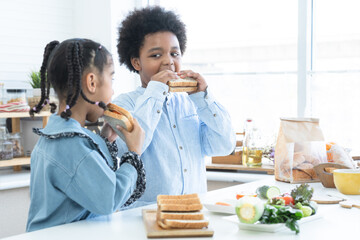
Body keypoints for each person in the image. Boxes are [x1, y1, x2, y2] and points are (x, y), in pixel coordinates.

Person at [114, 6, 236, 208]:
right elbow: (133, 148)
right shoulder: (124, 104)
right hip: (145, 215)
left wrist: (204, 97)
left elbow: (224, 145)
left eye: (174, 53)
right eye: (155, 55)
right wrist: (155, 91)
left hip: (194, 212)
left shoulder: (192, 101)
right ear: (136, 62)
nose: (168, 62)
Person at [26, 39, 146, 232]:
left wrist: (105, 139)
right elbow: (108, 198)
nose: (113, 90)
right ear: (92, 82)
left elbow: (85, 179)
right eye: (111, 79)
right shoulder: (71, 145)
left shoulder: (56, 135)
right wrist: (134, 154)